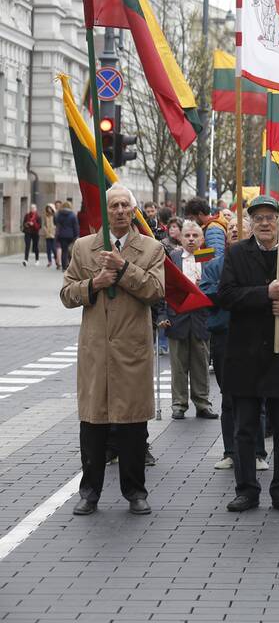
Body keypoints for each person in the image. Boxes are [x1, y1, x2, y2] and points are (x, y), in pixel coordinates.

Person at [60, 184, 165, 515]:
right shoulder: (83, 247)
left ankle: (135, 491)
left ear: (133, 212)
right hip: (95, 350)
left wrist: (123, 269)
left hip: (132, 349)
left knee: (133, 424)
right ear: (105, 212)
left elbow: (156, 291)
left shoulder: (151, 248)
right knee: (93, 423)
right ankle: (89, 491)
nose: (119, 210)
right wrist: (93, 284)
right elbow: (66, 294)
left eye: (125, 205)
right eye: (113, 206)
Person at [217, 195, 279, 513]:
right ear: (250, 223)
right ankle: (246, 489)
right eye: (257, 218)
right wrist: (265, 294)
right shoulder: (236, 255)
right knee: (245, 427)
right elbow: (226, 296)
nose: (264, 223)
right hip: (245, 357)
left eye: (269, 217)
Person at [200, 217, 268, 471]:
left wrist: (242, 294)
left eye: (242, 228)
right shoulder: (215, 266)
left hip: (253, 335)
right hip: (225, 337)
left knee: (256, 395)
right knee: (229, 397)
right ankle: (230, 451)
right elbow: (207, 293)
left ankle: (258, 453)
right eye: (232, 230)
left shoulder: (259, 263)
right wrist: (235, 292)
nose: (236, 232)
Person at [159, 221, 217, 420]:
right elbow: (163, 288)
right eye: (187, 236)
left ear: (202, 239)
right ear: (181, 238)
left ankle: (202, 403)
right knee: (178, 364)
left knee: (201, 363)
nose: (191, 239)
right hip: (177, 317)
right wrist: (162, 315)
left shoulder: (208, 257)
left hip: (201, 317)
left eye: (195, 236)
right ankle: (179, 404)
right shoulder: (173, 258)